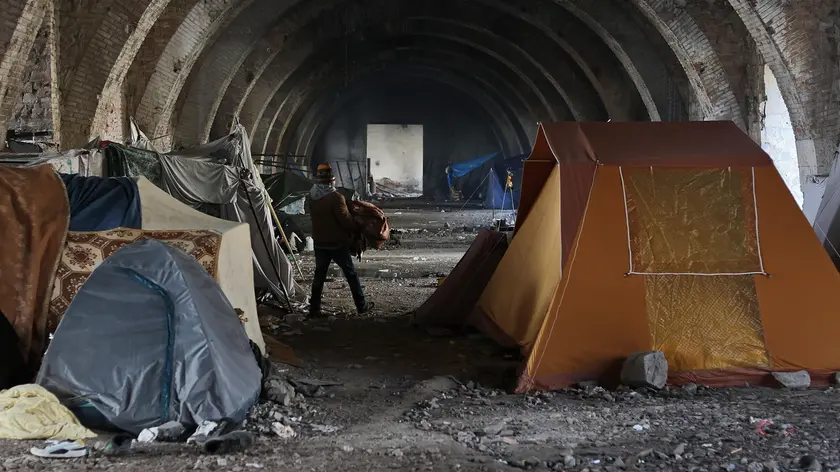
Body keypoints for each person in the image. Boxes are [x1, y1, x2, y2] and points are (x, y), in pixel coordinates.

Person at [309, 163, 374, 317]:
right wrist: (358, 225)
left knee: (319, 276)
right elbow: (345, 221)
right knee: (350, 274)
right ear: (332, 181)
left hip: (319, 242)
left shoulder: (311, 195)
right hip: (336, 243)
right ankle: (361, 305)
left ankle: (314, 309)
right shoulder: (335, 197)